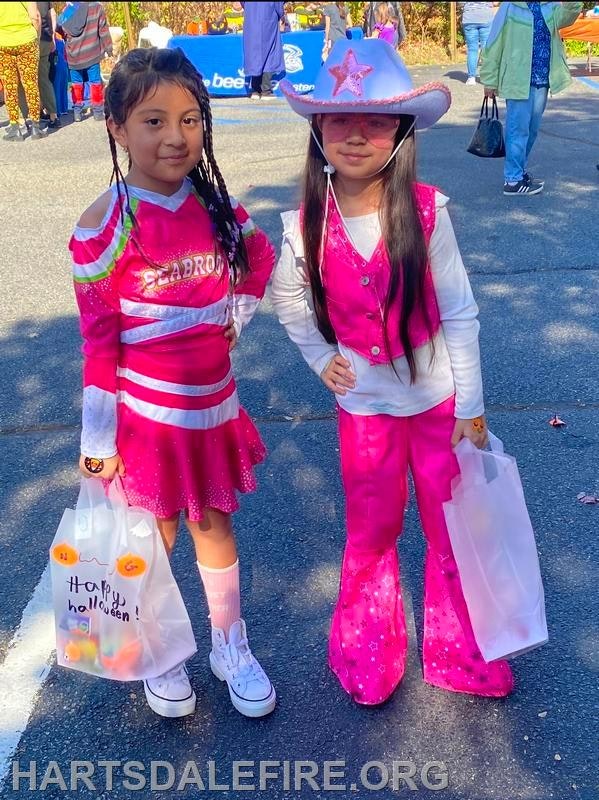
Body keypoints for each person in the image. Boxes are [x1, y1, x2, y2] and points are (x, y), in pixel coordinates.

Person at [272, 38, 515, 705]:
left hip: (438, 406)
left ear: (401, 133)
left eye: (375, 121)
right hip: (367, 413)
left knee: (450, 530)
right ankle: (368, 655)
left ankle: (462, 653)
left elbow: (459, 313)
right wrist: (321, 359)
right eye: (338, 120)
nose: (355, 135)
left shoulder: (428, 213)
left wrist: (469, 404)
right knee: (372, 530)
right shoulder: (302, 228)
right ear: (316, 129)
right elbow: (287, 300)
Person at [70, 47, 276, 719]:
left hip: (213, 411)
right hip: (147, 422)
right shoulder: (102, 227)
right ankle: (158, 650)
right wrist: (98, 444)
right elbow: (99, 345)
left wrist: (236, 319)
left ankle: (229, 644)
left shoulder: (216, 205)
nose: (175, 137)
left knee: (214, 523)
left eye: (190, 119)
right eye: (153, 121)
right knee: (151, 537)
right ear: (116, 128)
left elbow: (259, 258)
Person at [480, 1, 583, 196]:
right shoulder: (509, 7)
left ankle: (518, 172)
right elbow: (493, 43)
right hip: (517, 79)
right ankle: (512, 180)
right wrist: (489, 80)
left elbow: (569, 15)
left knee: (531, 130)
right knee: (517, 129)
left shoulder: (550, 6)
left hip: (542, 79)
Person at [57, 1, 112, 121]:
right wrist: (109, 48)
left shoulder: (69, 9)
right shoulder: (97, 7)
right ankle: (97, 112)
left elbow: (59, 27)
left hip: (73, 55)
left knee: (77, 83)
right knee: (95, 82)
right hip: (92, 52)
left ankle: (77, 111)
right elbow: (103, 30)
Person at [0, 1, 47, 140]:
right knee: (31, 84)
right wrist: (36, 38)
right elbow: (35, 16)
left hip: (4, 43)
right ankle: (35, 128)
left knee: (10, 86)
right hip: (26, 40)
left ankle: (15, 128)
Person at [241, 1, 285, 99]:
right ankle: (266, 90)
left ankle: (255, 90)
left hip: (251, 19)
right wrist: (282, 15)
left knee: (254, 54)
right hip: (268, 18)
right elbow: (278, 5)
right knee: (269, 54)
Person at [459, 3, 496, 85]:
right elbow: (495, 3)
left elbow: (460, 3)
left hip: (469, 18)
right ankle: (488, 77)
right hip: (486, 16)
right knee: (486, 48)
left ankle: (471, 78)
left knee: (472, 49)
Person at [37, 1, 59, 127]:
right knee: (44, 79)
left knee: (27, 80)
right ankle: (53, 115)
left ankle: (28, 117)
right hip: (46, 39)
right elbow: (53, 14)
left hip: (32, 40)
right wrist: (52, 36)